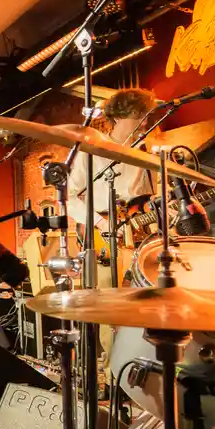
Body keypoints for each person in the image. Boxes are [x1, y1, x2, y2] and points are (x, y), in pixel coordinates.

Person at [67, 88, 158, 392]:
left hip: (139, 237)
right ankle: (113, 373)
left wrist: (159, 213)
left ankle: (140, 374)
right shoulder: (90, 151)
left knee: (140, 306)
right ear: (118, 116)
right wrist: (102, 222)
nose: (145, 123)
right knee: (109, 306)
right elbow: (70, 199)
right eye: (139, 116)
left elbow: (145, 202)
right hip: (103, 236)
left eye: (147, 117)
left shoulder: (144, 153)